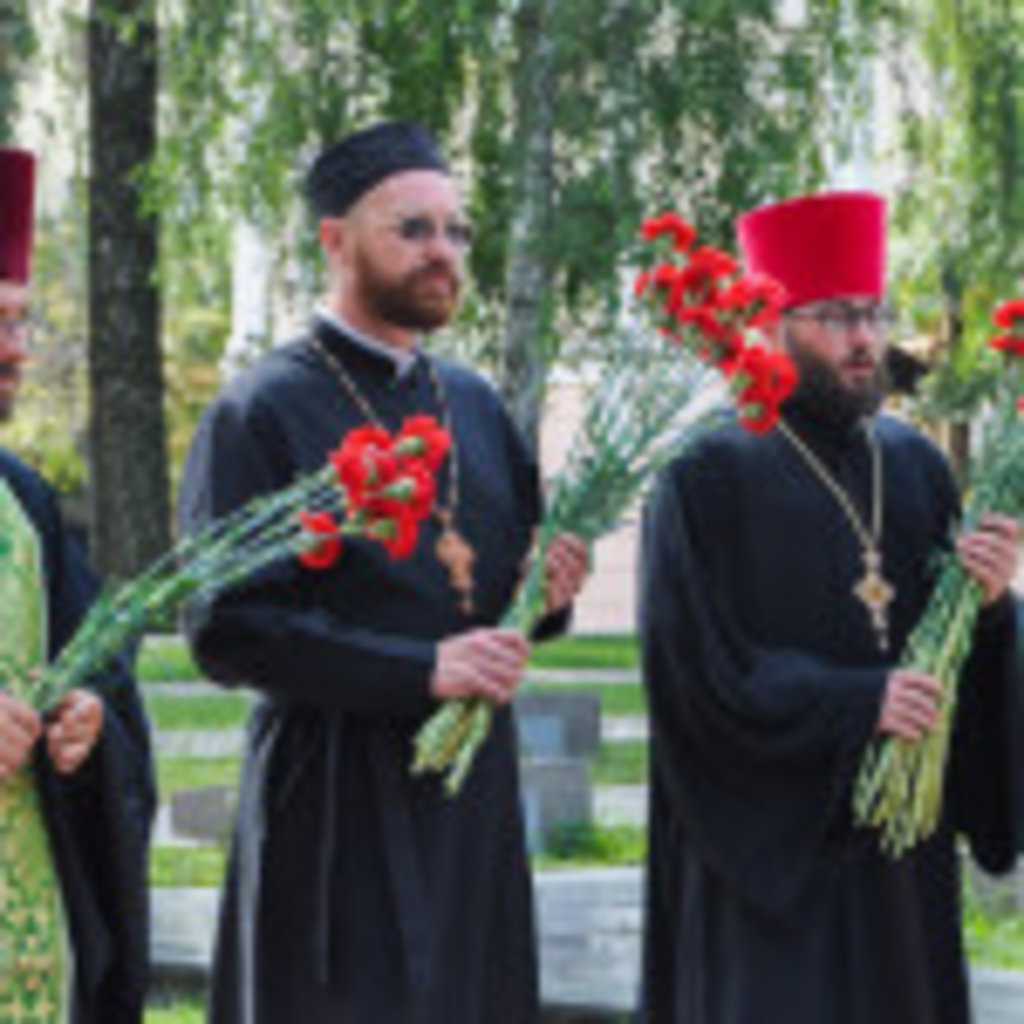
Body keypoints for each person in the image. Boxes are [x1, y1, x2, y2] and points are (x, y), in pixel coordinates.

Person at [179, 120, 589, 1024]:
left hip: (468, 794)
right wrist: (420, 670)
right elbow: (227, 628)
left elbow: (497, 590)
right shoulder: (261, 409)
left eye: (455, 231)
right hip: (334, 796)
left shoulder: (473, 402)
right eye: (413, 229)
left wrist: (545, 598)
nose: (443, 252)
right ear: (336, 241)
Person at [638, 190, 1022, 1024]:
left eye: (875, 314)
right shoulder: (706, 475)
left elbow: (958, 663)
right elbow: (694, 677)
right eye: (836, 317)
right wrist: (857, 702)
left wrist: (992, 609)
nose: (864, 341)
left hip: (897, 865)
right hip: (764, 869)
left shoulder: (915, 465)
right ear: (772, 324)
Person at [0, 146, 155, 1022]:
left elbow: (99, 662)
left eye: (21, 322)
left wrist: (89, 715)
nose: (15, 350)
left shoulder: (21, 500)